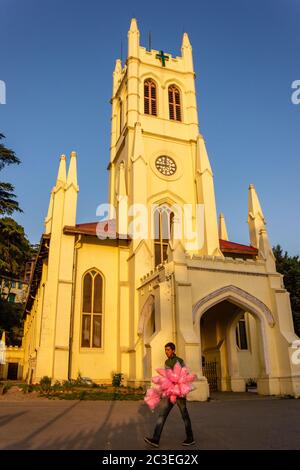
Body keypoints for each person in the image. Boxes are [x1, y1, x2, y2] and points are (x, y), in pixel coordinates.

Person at [144, 342, 195, 448]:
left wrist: (179, 385)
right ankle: (155, 439)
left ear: (173, 350)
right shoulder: (167, 362)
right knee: (163, 414)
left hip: (180, 393)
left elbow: (185, 374)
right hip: (171, 393)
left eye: (168, 350)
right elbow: (167, 377)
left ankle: (190, 438)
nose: (166, 352)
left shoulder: (179, 361)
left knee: (184, 415)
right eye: (165, 350)